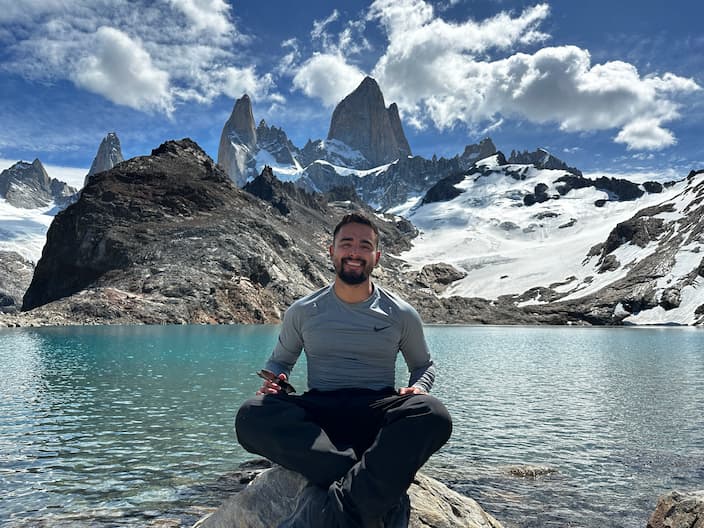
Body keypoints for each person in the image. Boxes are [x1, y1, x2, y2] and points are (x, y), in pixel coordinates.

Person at [235, 212, 452, 528]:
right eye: (346, 243)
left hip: (377, 410)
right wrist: (274, 382)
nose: (354, 252)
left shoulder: (401, 313)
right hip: (321, 411)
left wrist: (419, 388)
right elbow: (280, 363)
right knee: (251, 414)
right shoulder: (303, 311)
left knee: (432, 414)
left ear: (376, 256)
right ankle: (375, 484)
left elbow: (423, 367)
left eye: (364, 245)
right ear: (331, 251)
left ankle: (331, 508)